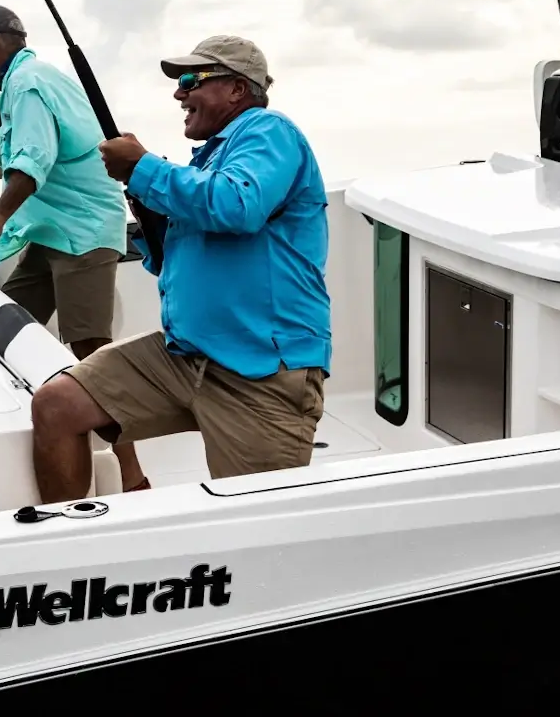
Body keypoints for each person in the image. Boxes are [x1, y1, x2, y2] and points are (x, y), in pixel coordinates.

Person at [28, 34, 332, 503]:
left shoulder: (269, 131)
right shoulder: (209, 160)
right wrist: (152, 213)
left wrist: (143, 169)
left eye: (191, 80)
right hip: (185, 355)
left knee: (255, 521)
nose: (179, 93)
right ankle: (67, 540)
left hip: (260, 372)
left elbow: (238, 206)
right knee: (57, 406)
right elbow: (182, 257)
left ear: (237, 89)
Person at [0, 4, 130, 368]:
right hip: (51, 232)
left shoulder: (26, 82)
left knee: (89, 347)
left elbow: (34, 161)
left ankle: (117, 407)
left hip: (83, 231)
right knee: (3, 330)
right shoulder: (33, 76)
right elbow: (54, 149)